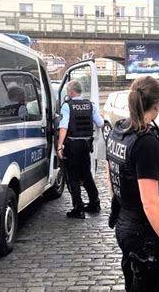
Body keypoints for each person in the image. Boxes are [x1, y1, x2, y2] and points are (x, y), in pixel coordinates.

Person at [106, 76, 159, 291]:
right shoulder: (145, 142)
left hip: (124, 223)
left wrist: (123, 200)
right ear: (158, 103)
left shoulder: (119, 130)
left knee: (133, 283)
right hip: (144, 234)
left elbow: (110, 174)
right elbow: (150, 202)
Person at [57, 79, 104, 219]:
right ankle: (95, 203)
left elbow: (63, 127)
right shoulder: (90, 105)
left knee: (74, 177)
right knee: (87, 174)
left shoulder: (67, 106)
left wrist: (60, 146)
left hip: (72, 146)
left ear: (71, 91)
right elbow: (100, 123)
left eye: (67, 90)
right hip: (86, 145)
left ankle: (78, 208)